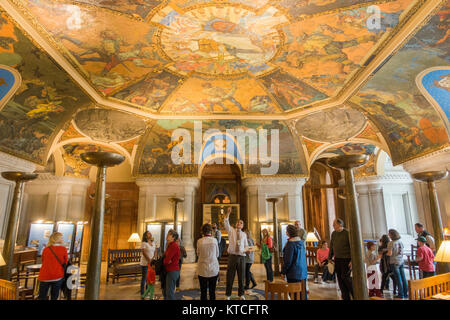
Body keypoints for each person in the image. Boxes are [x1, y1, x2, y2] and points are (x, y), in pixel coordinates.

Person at [224, 206, 247, 300]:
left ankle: (241, 294)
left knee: (241, 277)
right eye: (238, 222)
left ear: (242, 226)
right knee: (230, 276)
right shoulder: (231, 231)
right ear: (236, 224)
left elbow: (245, 246)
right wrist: (228, 213)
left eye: (241, 223)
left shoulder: (244, 234)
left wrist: (247, 250)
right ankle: (227, 295)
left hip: (241, 257)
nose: (239, 223)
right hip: (232, 257)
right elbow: (226, 222)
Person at [38, 232, 68, 300]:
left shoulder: (46, 249)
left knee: (42, 296)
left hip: (44, 275)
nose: (62, 239)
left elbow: (43, 260)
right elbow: (65, 262)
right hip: (57, 275)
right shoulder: (63, 249)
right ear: (58, 239)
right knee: (54, 296)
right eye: (61, 238)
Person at [281, 224, 308, 299]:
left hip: (294, 273)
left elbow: (288, 261)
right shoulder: (301, 243)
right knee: (303, 294)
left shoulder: (291, 244)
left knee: (294, 295)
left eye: (286, 231)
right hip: (303, 272)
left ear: (289, 233)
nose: (286, 232)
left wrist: (283, 272)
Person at [328, 218, 353, 300]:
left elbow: (352, 247)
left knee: (346, 278)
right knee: (340, 279)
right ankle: (345, 297)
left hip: (346, 259)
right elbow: (331, 246)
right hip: (337, 259)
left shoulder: (347, 233)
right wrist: (330, 257)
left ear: (340, 224)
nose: (333, 226)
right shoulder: (334, 234)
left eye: (334, 224)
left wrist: (352, 260)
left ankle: (355, 295)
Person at [197, 223, 220, 300]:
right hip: (213, 269)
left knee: (203, 292)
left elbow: (198, 253)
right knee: (212, 291)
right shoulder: (214, 240)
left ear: (202, 231)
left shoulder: (199, 241)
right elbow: (217, 254)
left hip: (202, 269)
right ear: (211, 231)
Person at [387, 229, 408, 299]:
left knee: (398, 279)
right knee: (403, 278)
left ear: (391, 235)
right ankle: (405, 293)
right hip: (401, 260)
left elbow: (390, 253)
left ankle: (400, 294)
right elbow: (402, 251)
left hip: (394, 261)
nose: (388, 235)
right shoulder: (400, 241)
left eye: (389, 233)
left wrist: (385, 253)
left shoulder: (391, 243)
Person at [162, 229, 181, 300]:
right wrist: (166, 260)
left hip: (172, 271)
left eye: (169, 234)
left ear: (173, 237)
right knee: (166, 292)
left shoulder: (174, 246)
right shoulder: (169, 245)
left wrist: (166, 260)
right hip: (168, 270)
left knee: (169, 293)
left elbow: (166, 261)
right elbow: (166, 259)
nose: (167, 236)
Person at [140, 231, 156, 296]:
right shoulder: (144, 243)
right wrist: (148, 259)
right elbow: (143, 252)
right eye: (148, 233)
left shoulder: (153, 242)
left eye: (150, 233)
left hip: (151, 263)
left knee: (149, 278)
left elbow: (155, 250)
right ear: (146, 236)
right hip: (145, 263)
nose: (150, 234)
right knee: (144, 278)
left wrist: (153, 258)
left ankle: (147, 291)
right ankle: (142, 292)